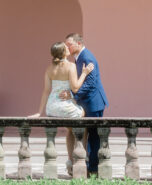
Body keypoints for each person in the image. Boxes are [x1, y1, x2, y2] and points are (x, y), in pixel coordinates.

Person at [32, 42, 94, 164]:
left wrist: (39, 112)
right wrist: (84, 73)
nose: (68, 47)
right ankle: (81, 157)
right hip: (65, 107)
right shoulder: (70, 66)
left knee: (70, 130)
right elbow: (75, 88)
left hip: (51, 108)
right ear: (63, 52)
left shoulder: (49, 68)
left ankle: (70, 161)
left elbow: (46, 92)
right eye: (66, 48)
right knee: (84, 119)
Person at [61, 33, 108, 175]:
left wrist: (72, 94)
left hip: (94, 103)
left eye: (69, 44)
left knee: (94, 137)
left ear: (79, 44)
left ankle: (93, 169)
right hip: (87, 102)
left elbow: (90, 84)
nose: (67, 47)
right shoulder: (79, 57)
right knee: (89, 136)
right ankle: (89, 167)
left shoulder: (86, 57)